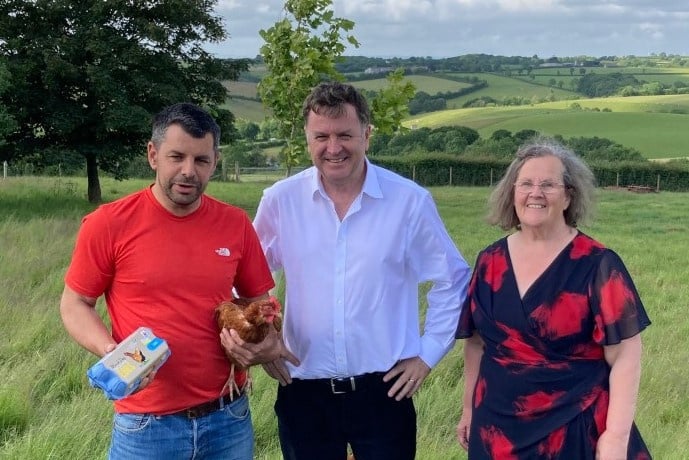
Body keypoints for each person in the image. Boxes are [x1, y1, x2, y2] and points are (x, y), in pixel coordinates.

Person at [220, 81, 471, 460]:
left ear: (367, 135)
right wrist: (263, 344)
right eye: (321, 136)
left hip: (385, 391)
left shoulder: (409, 202)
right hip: (303, 390)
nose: (333, 148)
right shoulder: (280, 201)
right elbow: (244, 283)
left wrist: (428, 354)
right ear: (307, 139)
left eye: (345, 135)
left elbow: (452, 278)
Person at [60, 102, 288, 460]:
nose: (188, 171)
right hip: (146, 424)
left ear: (215, 161)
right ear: (153, 155)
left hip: (227, 417)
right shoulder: (108, 224)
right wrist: (114, 353)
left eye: (201, 160)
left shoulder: (235, 224)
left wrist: (264, 346)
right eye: (176, 157)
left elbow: (262, 304)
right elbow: (74, 304)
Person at [455, 138, 652, 459]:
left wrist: (616, 436)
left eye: (548, 184)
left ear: (568, 196)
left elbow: (625, 354)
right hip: (496, 429)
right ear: (512, 192)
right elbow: (476, 343)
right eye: (526, 184)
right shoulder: (490, 261)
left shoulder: (598, 264)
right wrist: (468, 409)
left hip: (573, 426)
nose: (536, 192)